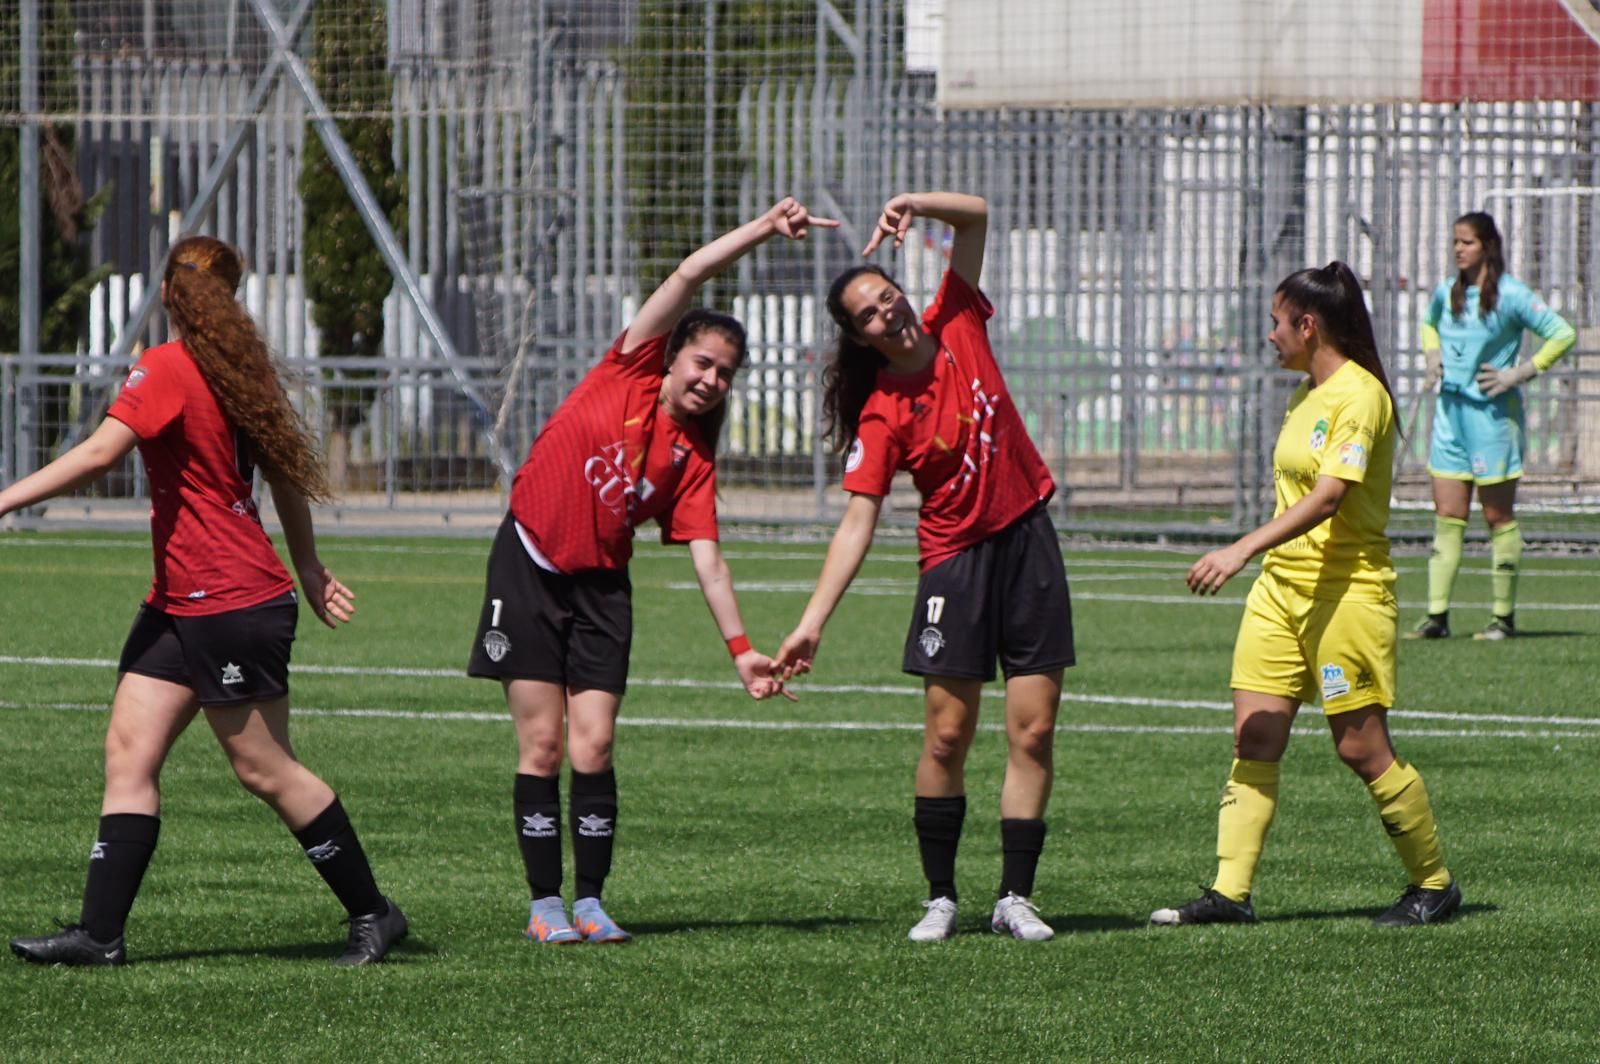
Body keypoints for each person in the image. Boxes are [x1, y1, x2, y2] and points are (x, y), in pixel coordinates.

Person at [5, 236, 405, 967]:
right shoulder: (239, 369)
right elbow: (285, 479)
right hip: (180, 601)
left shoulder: (166, 366)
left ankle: (374, 913)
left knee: (265, 770)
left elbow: (99, 453)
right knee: (129, 751)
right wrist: (307, 565)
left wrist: (4, 499)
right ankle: (99, 935)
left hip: (230, 599)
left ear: (167, 292)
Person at [468, 197, 832, 945]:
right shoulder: (625, 369)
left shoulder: (692, 458)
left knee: (594, 746)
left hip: (602, 588)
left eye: (725, 374)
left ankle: (591, 903)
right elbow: (691, 272)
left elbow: (709, 560)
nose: (711, 379)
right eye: (703, 362)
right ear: (671, 357)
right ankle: (545, 906)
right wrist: (765, 228)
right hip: (529, 565)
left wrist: (742, 652)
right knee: (542, 746)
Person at [773, 191, 1073, 943]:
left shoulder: (957, 317)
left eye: (888, 296)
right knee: (947, 736)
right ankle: (941, 897)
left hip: (1029, 543)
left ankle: (1014, 898)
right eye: (869, 315)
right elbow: (858, 521)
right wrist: (812, 623)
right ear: (859, 338)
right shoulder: (882, 412)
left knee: (1034, 731)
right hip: (954, 566)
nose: (888, 313)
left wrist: (912, 203)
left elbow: (975, 215)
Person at [1150, 262, 1460, 928]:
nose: (1270, 335)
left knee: (1360, 749)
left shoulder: (1361, 396)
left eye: (1276, 322)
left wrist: (1239, 549)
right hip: (1280, 592)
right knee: (1255, 735)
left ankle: (1434, 883)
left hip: (1346, 592)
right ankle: (1230, 893)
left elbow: (1328, 498)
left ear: (1308, 325)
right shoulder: (1304, 395)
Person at [1408, 211, 1575, 641]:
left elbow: (1562, 334)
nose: (1458, 250)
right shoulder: (1447, 292)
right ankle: (1436, 617)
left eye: (1467, 242)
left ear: (1488, 246)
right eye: (1455, 242)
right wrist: (1432, 356)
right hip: (1450, 417)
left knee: (1497, 516)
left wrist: (1518, 374)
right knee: (1448, 516)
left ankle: (1503, 618)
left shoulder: (1512, 294)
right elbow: (1428, 324)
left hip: (1492, 421)